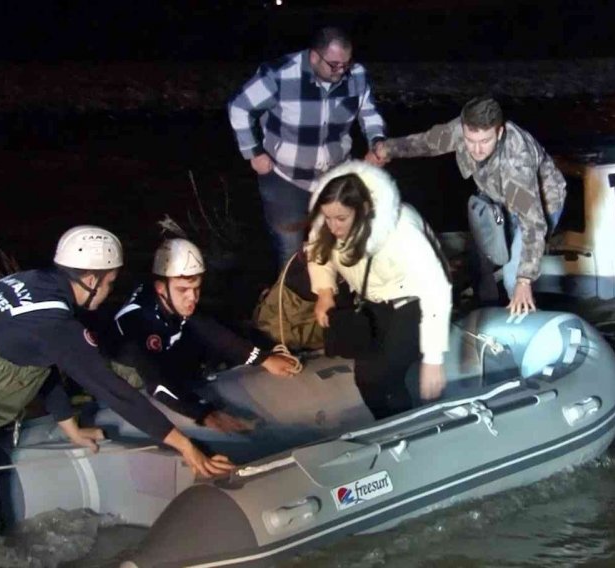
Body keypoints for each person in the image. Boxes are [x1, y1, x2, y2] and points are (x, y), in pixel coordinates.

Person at [0, 226, 234, 550]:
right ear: (91, 278)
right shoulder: (59, 323)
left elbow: (36, 360)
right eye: (110, 282)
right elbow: (115, 390)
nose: (108, 292)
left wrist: (68, 424)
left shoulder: (28, 282)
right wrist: (185, 446)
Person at [376, 96, 566, 315]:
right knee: (479, 262)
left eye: (485, 141)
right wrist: (385, 149)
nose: (476, 149)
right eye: (470, 140)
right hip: (495, 198)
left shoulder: (516, 162)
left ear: (500, 132)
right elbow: (426, 143)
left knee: (515, 275)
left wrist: (525, 280)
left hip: (540, 205)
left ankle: (522, 322)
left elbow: (534, 224)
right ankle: (486, 313)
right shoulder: (461, 131)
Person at [228, 26, 388, 271]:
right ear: (314, 56)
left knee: (341, 244)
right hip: (284, 179)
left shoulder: (357, 76)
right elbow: (240, 107)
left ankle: (335, 299)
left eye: (346, 64)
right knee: (290, 250)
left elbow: (370, 114)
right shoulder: (279, 75)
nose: (341, 71)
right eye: (334, 64)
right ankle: (292, 302)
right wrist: (253, 152)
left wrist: (376, 141)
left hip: (334, 178)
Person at [104, 238, 301, 431]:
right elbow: (156, 383)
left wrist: (263, 359)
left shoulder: (172, 298)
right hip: (133, 370)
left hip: (166, 346)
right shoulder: (137, 320)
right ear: (161, 288)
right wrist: (204, 414)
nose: (192, 297)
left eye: (196, 289)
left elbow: (210, 330)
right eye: (183, 290)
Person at [307, 161, 451, 419]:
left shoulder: (402, 228)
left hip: (413, 301)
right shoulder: (328, 219)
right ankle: (390, 429)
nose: (333, 227)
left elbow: (436, 289)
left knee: (381, 375)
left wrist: (433, 357)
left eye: (341, 218)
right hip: (372, 302)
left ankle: (408, 429)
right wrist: (325, 292)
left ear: (363, 208)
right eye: (328, 218)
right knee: (366, 378)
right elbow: (318, 252)